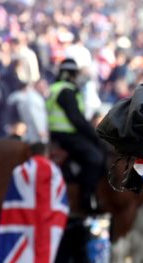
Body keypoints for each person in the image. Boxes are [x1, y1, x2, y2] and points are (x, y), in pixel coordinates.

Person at [46, 58, 104, 213]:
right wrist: (95, 137)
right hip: (66, 135)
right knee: (95, 157)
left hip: (60, 134)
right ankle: (86, 199)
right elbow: (77, 120)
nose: (78, 77)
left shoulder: (56, 88)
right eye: (76, 74)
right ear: (69, 74)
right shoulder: (66, 90)